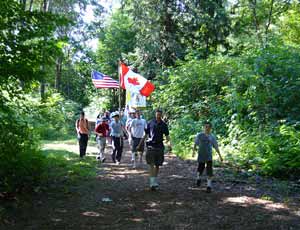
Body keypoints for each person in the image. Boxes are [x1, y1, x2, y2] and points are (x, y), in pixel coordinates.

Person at [141, 109, 171, 190]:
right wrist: (141, 143)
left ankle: (154, 180)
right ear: (155, 114)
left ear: (161, 115)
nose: (158, 116)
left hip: (160, 146)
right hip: (151, 146)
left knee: (157, 165)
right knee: (151, 164)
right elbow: (146, 134)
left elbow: (167, 136)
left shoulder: (164, 125)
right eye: (157, 114)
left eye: (159, 114)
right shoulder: (150, 123)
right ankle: (152, 182)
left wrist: (169, 145)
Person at [192, 121, 223, 193]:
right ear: (203, 127)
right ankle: (198, 178)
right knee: (200, 168)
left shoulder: (212, 137)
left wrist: (220, 156)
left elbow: (216, 146)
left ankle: (209, 186)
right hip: (201, 155)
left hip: (209, 156)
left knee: (209, 171)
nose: (207, 128)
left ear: (210, 128)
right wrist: (193, 152)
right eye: (206, 127)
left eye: (208, 127)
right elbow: (195, 144)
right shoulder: (199, 135)